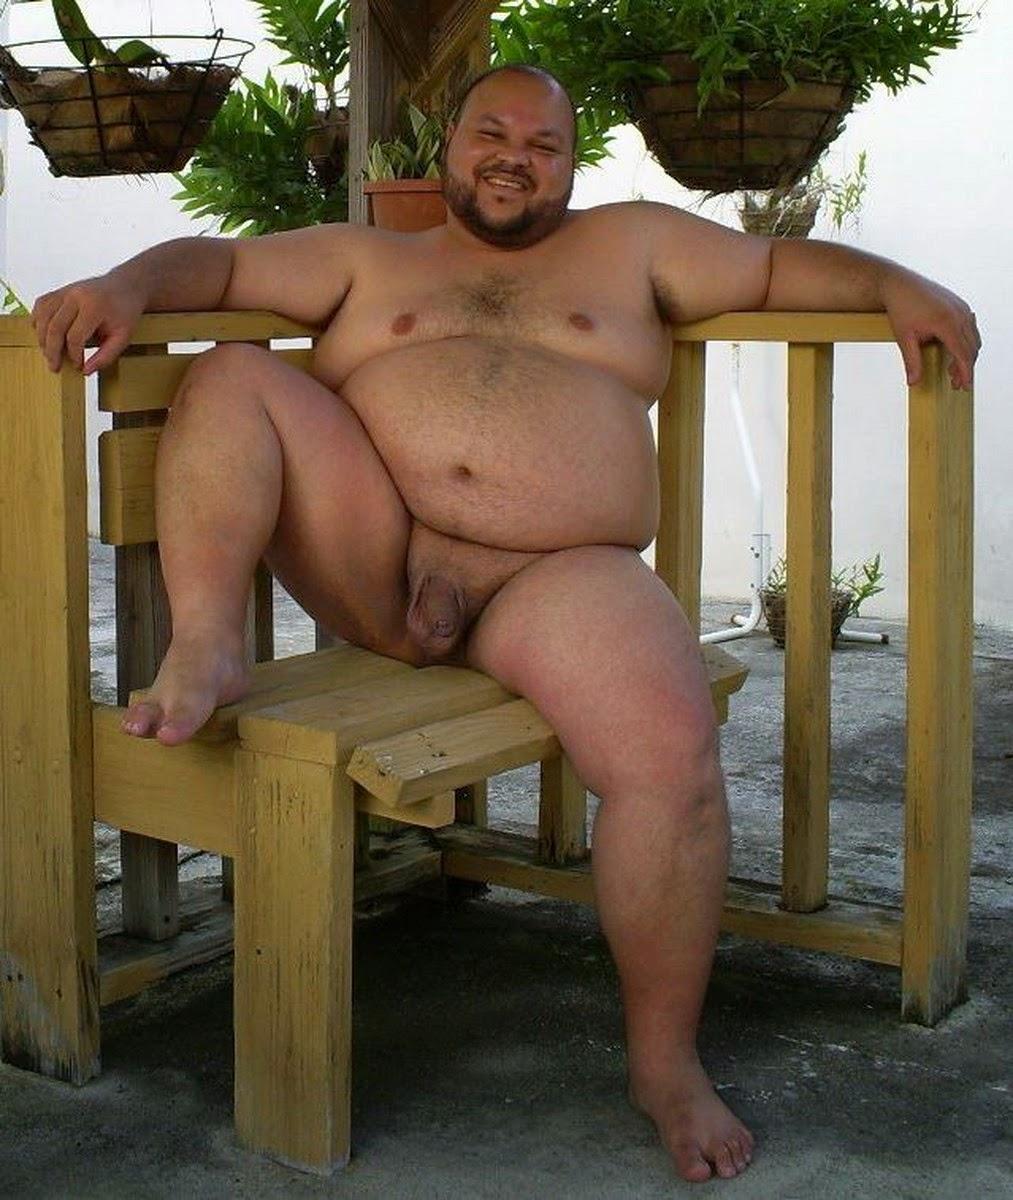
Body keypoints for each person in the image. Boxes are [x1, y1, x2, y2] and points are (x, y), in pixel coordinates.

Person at [31, 64, 980, 1183]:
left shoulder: (631, 244)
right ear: (449, 144)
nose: (514, 158)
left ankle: (663, 1064)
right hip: (374, 560)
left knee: (669, 757)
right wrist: (129, 281)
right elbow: (225, 265)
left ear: (571, 164)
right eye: (493, 132)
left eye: (544, 143)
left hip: (559, 575)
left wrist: (895, 283)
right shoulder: (369, 257)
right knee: (233, 373)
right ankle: (207, 641)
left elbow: (771, 266)